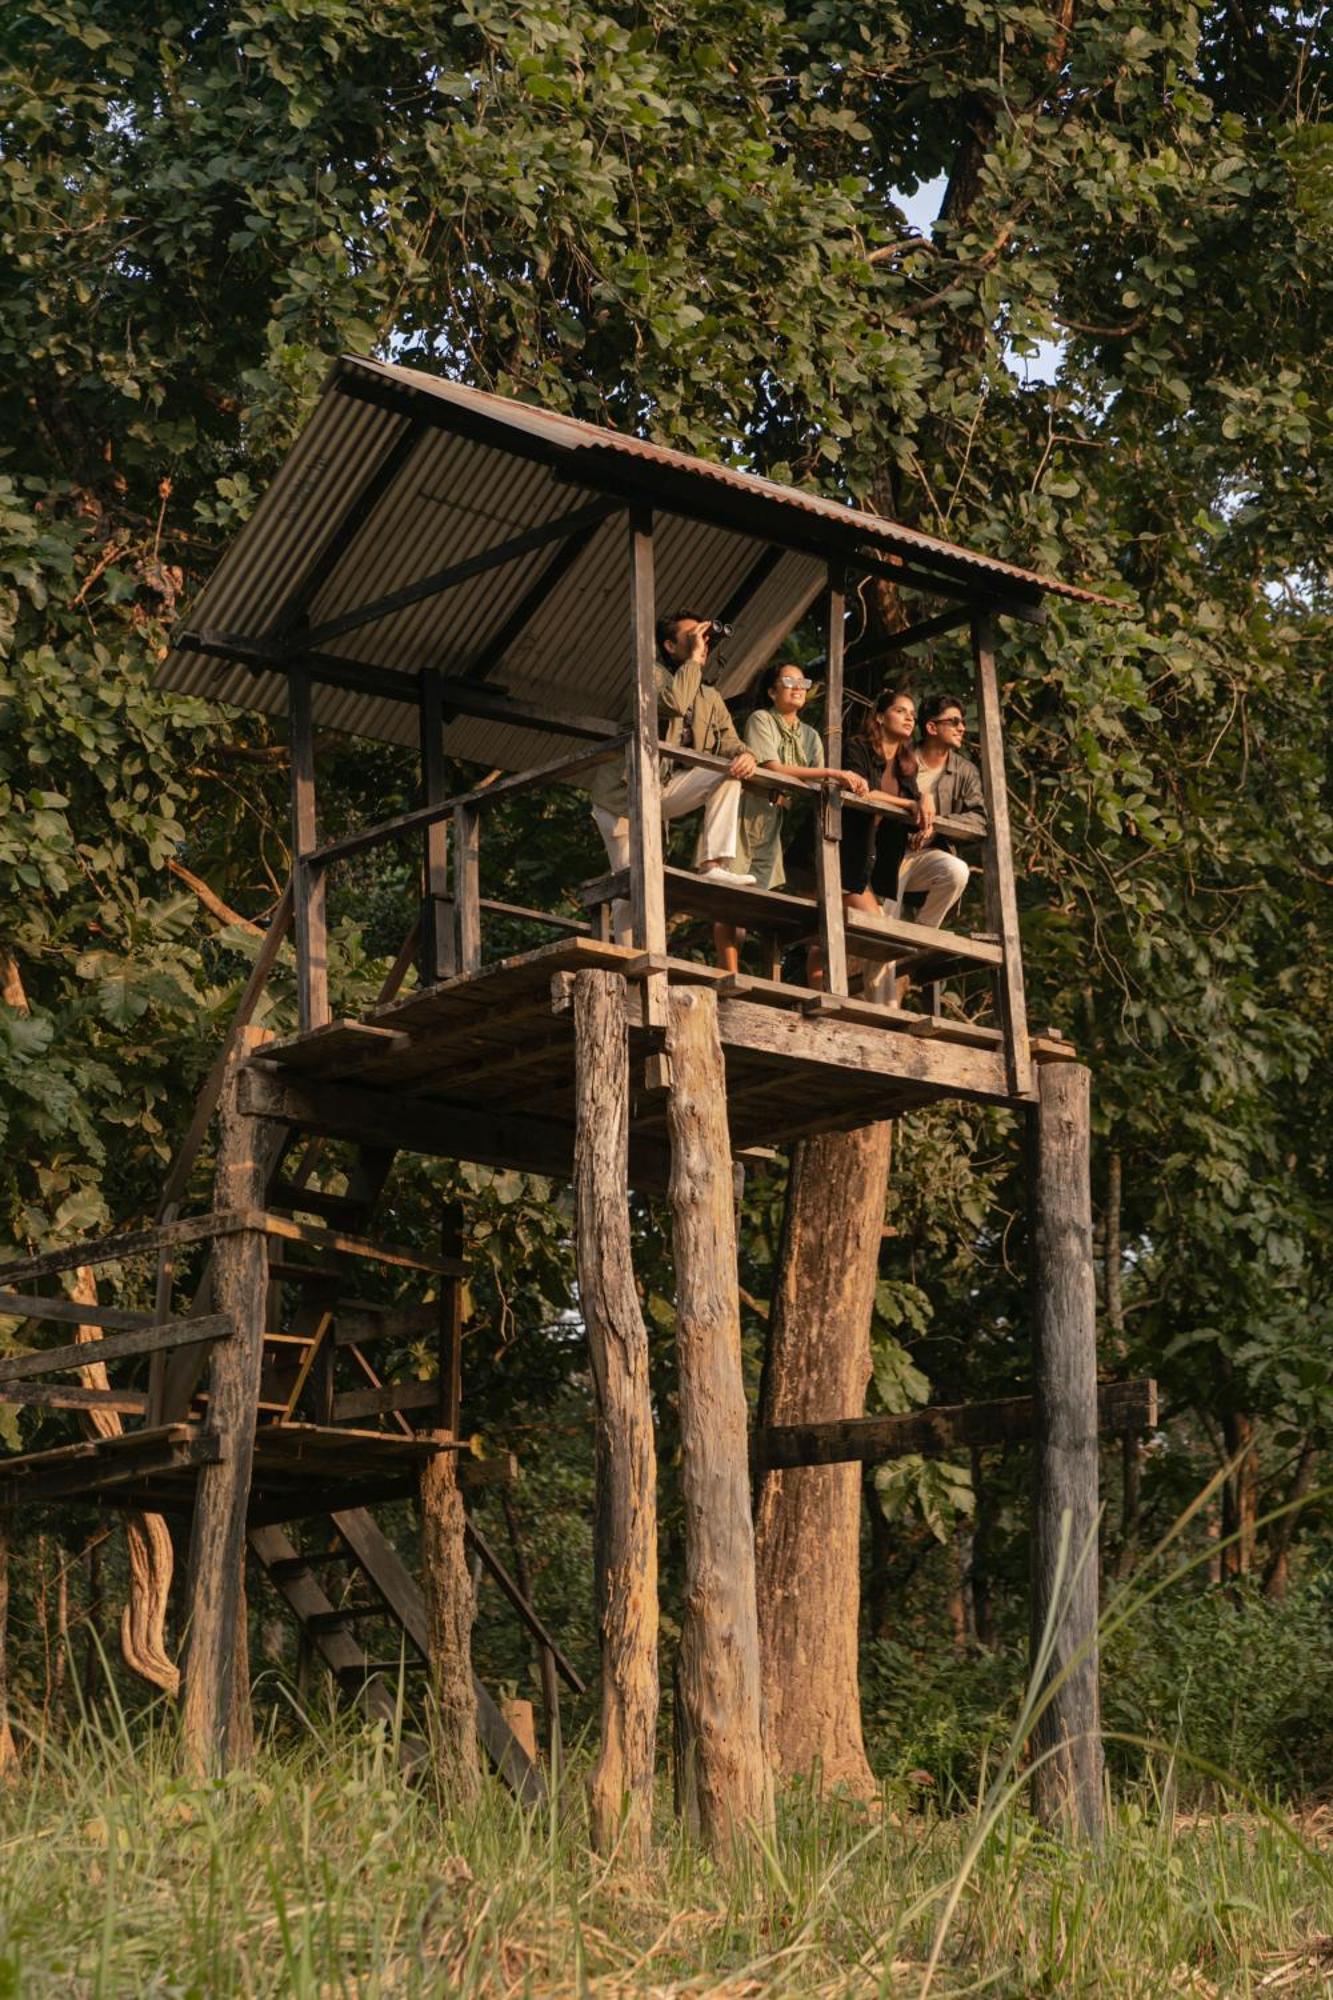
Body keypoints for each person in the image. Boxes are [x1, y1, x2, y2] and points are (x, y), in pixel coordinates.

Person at [588, 609, 757, 966]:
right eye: (691, 637)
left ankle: (713, 862)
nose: (702, 644)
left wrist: (746, 755)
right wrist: (694, 661)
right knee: (632, 880)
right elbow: (673, 703)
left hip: (661, 790)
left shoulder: (709, 696)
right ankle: (632, 958)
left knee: (728, 772)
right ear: (669, 645)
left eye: (704, 638)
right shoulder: (651, 674)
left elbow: (731, 742)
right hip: (624, 797)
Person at [736, 661, 868, 889]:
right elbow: (773, 768)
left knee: (756, 894)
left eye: (803, 683)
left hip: (774, 816)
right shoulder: (761, 719)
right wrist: (833, 772)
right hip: (746, 809)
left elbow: (819, 780)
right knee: (729, 893)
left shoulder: (811, 735)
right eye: (789, 681)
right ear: (771, 692)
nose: (798, 688)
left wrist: (853, 782)